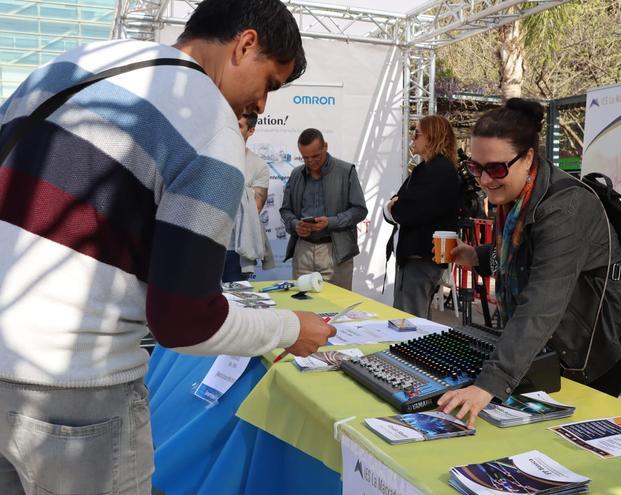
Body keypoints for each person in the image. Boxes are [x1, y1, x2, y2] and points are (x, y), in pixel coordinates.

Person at [0, 1, 337, 493]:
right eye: (270, 83)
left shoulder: (68, 64)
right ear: (245, 45)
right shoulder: (209, 124)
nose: (262, 105)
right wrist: (291, 328)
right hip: (77, 394)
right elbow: (184, 322)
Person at [436, 99, 621, 427]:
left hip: (611, 324)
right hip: (572, 315)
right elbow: (521, 254)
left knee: (576, 424)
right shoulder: (516, 193)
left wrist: (490, 383)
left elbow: (543, 299)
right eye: (475, 168)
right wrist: (478, 256)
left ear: (527, 158)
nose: (484, 179)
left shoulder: (566, 208)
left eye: (494, 169)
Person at [383, 115, 462, 318]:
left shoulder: (438, 171)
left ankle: (409, 351)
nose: (413, 139)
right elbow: (402, 203)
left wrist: (395, 208)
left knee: (409, 323)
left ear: (431, 137)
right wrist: (395, 206)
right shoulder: (430, 169)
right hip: (418, 258)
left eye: (417, 134)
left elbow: (408, 210)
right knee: (410, 319)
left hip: (422, 259)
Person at [279, 128, 367, 290]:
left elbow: (360, 210)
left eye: (315, 156)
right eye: (305, 158)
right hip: (303, 250)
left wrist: (330, 222)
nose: (311, 161)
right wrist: (295, 225)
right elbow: (285, 210)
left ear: (325, 147)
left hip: (335, 250)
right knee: (302, 304)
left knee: (338, 306)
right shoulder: (296, 174)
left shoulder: (346, 171)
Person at [223, 112, 274, 282]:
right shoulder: (206, 157)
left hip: (236, 251)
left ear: (251, 130)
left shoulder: (259, 166)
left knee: (234, 304)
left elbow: (255, 208)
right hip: (205, 244)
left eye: (239, 126)